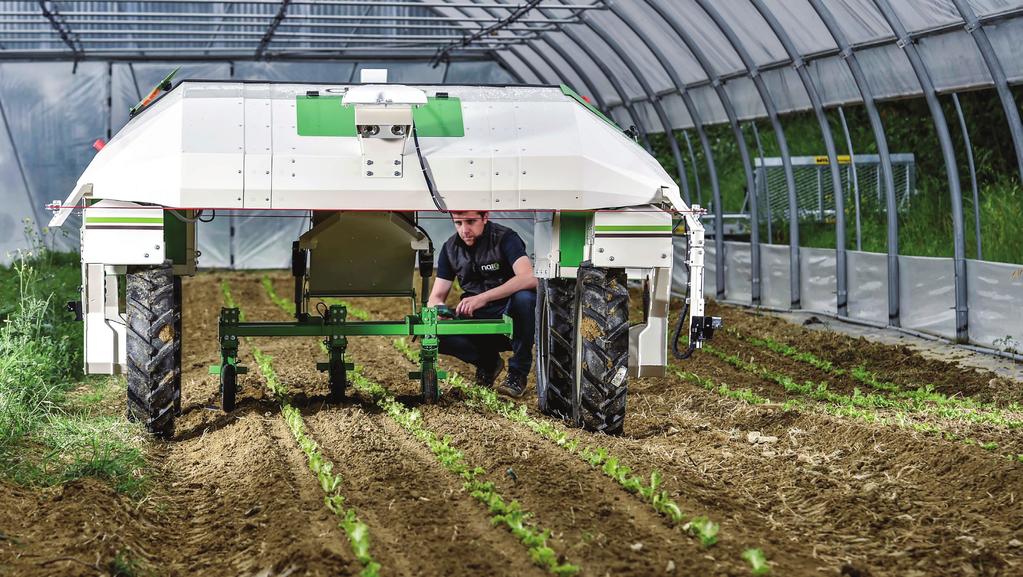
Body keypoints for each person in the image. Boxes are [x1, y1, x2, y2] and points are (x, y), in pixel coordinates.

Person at [427, 210, 537, 397]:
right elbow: (435, 298)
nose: (464, 230)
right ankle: (488, 363)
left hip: (510, 313)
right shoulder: (450, 248)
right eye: (458, 223)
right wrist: (439, 310)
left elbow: (529, 277)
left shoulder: (505, 238)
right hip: (476, 317)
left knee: (525, 298)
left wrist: (482, 298)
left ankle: (517, 374)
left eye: (470, 221)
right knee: (433, 332)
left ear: (485, 217)